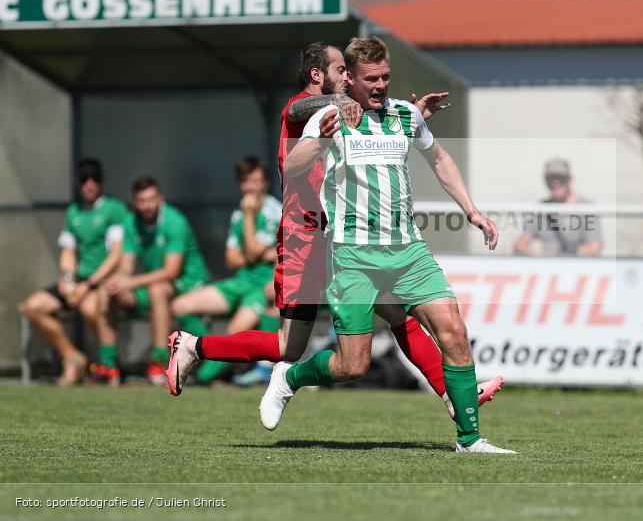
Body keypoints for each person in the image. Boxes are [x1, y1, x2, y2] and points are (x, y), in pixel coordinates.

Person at [166, 42, 503, 419]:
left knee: (399, 314)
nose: (347, 77)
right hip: (303, 239)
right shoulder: (304, 109)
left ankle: (452, 394)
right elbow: (298, 109)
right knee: (288, 346)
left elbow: (392, 139)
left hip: (342, 239)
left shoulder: (353, 111)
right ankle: (196, 347)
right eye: (342, 69)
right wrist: (340, 103)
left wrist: (406, 116)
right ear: (316, 76)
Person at [259, 36, 515, 454]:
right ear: (351, 81)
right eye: (370, 79)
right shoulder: (329, 115)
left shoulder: (405, 114)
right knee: (352, 365)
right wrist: (322, 138)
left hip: (407, 250)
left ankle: (470, 440)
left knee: (453, 330)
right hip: (352, 254)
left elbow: (439, 160)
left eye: (385, 77)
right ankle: (289, 378)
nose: (380, 85)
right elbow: (293, 166)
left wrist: (472, 210)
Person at [168, 156, 281, 385]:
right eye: (246, 181)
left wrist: (250, 223)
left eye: (256, 181)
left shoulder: (272, 212)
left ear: (266, 183)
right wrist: (260, 254)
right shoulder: (238, 213)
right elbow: (231, 259)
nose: (251, 187)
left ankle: (203, 376)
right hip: (240, 281)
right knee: (179, 306)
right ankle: (203, 358)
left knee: (233, 333)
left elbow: (248, 253)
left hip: (261, 286)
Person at [19, 159, 128, 385]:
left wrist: (88, 285)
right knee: (33, 307)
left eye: (95, 179)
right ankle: (73, 357)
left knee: (90, 308)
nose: (90, 184)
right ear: (77, 182)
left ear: (102, 181)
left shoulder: (114, 209)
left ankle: (108, 366)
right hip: (78, 281)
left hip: (103, 280)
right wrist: (66, 279)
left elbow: (116, 255)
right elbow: (68, 252)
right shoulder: (74, 212)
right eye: (84, 179)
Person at [96, 176, 210, 384]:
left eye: (151, 199)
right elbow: (127, 265)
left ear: (160, 198)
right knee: (106, 291)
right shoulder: (131, 221)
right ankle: (108, 365)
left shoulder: (175, 221)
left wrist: (129, 282)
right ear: (134, 202)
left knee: (157, 290)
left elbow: (171, 271)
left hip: (189, 283)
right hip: (154, 284)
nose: (147, 205)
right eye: (142, 200)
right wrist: (117, 281)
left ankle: (159, 361)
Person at [514, 158, 602, 257]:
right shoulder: (540, 210)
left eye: (560, 178)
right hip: (547, 268)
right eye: (550, 178)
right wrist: (541, 254)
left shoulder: (586, 208)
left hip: (578, 267)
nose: (555, 182)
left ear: (570, 179)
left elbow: (595, 247)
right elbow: (520, 245)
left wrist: (564, 257)